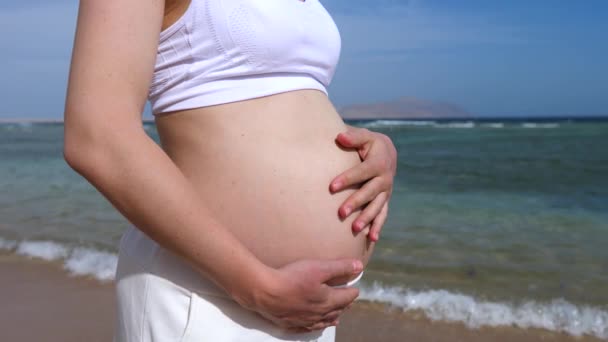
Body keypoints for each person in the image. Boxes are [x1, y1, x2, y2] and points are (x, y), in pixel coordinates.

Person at [63, 0, 397, 341]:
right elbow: (96, 136)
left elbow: (283, 95)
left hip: (307, 314)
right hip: (207, 298)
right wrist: (256, 287)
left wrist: (371, 147)